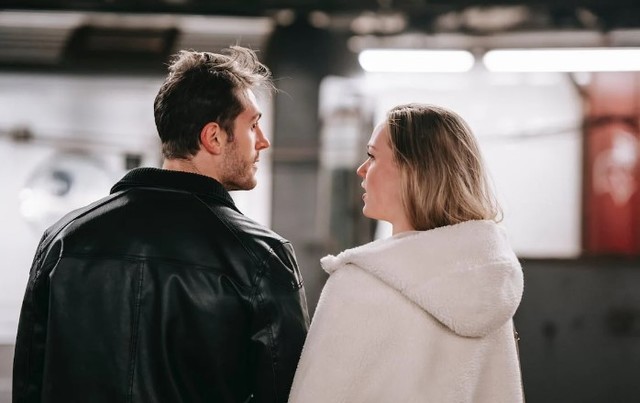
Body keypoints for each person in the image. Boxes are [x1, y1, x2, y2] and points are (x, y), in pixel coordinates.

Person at [13, 46, 309, 403]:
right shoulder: (261, 256)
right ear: (214, 137)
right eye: (253, 125)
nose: (263, 141)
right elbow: (290, 393)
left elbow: (30, 383)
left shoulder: (63, 239)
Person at [289, 103, 524, 403]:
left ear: (412, 171)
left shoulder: (357, 285)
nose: (361, 169)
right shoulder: (489, 285)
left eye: (373, 156)